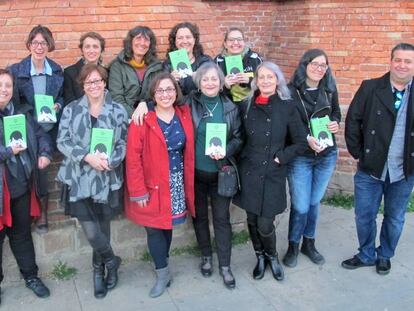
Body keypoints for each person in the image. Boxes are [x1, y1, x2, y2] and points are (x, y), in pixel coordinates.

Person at [133, 62, 243, 289]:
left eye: (214, 79)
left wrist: (227, 150)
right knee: (200, 218)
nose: (210, 83)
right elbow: (162, 99)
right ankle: (206, 256)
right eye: (205, 79)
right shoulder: (189, 105)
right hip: (194, 175)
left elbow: (239, 138)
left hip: (221, 173)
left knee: (222, 220)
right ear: (198, 83)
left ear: (221, 82)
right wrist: (143, 103)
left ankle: (225, 265)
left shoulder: (231, 107)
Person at [56, 64, 128, 298]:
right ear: (83, 85)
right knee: (91, 231)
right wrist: (86, 156)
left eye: (98, 81)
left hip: (106, 177)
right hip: (79, 179)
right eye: (89, 82)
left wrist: (111, 161)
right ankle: (111, 260)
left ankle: (100, 271)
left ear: (104, 82)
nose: (94, 86)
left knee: (103, 228)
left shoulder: (117, 110)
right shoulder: (71, 110)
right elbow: (62, 141)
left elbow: (124, 143)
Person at [343, 43, 414, 275]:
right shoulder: (370, 88)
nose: (402, 65)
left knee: (394, 219)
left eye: (408, 61)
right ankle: (366, 254)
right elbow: (353, 120)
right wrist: (358, 153)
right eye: (398, 60)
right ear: (391, 61)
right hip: (370, 168)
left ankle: (384, 255)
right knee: (364, 216)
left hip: (404, 171)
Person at [125, 72, 195, 298]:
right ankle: (162, 272)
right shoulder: (142, 119)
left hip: (175, 182)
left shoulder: (184, 114)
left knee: (167, 226)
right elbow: (133, 157)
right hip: (151, 184)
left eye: (170, 89)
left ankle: (163, 264)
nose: (165, 94)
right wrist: (137, 191)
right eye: (160, 90)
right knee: (154, 229)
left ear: (177, 92)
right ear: (153, 95)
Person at [238, 61, 307, 281]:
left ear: (277, 80)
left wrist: (281, 157)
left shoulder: (288, 106)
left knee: (265, 222)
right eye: (261, 77)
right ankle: (259, 256)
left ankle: (272, 256)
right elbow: (240, 138)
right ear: (255, 81)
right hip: (249, 170)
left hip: (273, 172)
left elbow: (300, 142)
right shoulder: (246, 105)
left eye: (270, 76)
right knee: (251, 219)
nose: (265, 81)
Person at [283, 49, 341, 268]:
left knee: (314, 202)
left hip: (326, 154)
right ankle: (293, 246)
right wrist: (306, 138)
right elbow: (290, 122)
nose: (319, 68)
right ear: (304, 65)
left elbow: (336, 114)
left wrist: (335, 123)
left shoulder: (329, 89)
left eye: (323, 65)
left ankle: (309, 243)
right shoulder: (290, 91)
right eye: (315, 64)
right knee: (301, 204)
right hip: (301, 156)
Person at [0, 69, 53, 302]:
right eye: (0, 85)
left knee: (21, 235)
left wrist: (44, 152)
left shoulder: (22, 113)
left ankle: (31, 276)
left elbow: (41, 134)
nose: (4, 89)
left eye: (8, 85)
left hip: (20, 187)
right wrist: (8, 151)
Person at [9, 25, 64, 234]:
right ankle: (25, 213)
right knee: (24, 170)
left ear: (48, 45)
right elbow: (15, 101)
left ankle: (42, 212)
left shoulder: (56, 69)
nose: (39, 47)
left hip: (49, 128)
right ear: (29, 45)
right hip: (27, 127)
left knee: (42, 168)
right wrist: (30, 114)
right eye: (35, 42)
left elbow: (61, 97)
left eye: (43, 42)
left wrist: (58, 105)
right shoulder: (17, 71)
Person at [108, 25, 163, 116]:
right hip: (125, 117)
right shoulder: (117, 66)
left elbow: (158, 94)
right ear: (130, 42)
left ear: (150, 44)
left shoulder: (156, 66)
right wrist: (134, 115)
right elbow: (116, 98)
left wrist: (145, 107)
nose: (142, 43)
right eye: (138, 38)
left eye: (146, 40)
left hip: (150, 115)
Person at [215, 27, 263, 103]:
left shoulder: (255, 58)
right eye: (231, 40)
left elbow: (264, 82)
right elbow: (212, 86)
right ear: (225, 44)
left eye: (239, 39)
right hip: (227, 103)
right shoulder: (218, 61)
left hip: (251, 102)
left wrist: (249, 81)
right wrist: (225, 85)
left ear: (244, 42)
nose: (236, 42)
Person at [164, 22, 212, 95]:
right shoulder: (167, 65)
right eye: (180, 38)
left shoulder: (206, 61)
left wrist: (200, 77)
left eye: (188, 37)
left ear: (194, 40)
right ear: (175, 41)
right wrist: (170, 81)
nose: (184, 41)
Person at [63, 32, 106, 105]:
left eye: (95, 47)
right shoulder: (69, 73)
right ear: (82, 50)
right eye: (87, 47)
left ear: (101, 50)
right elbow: (69, 104)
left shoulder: (107, 72)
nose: (91, 51)